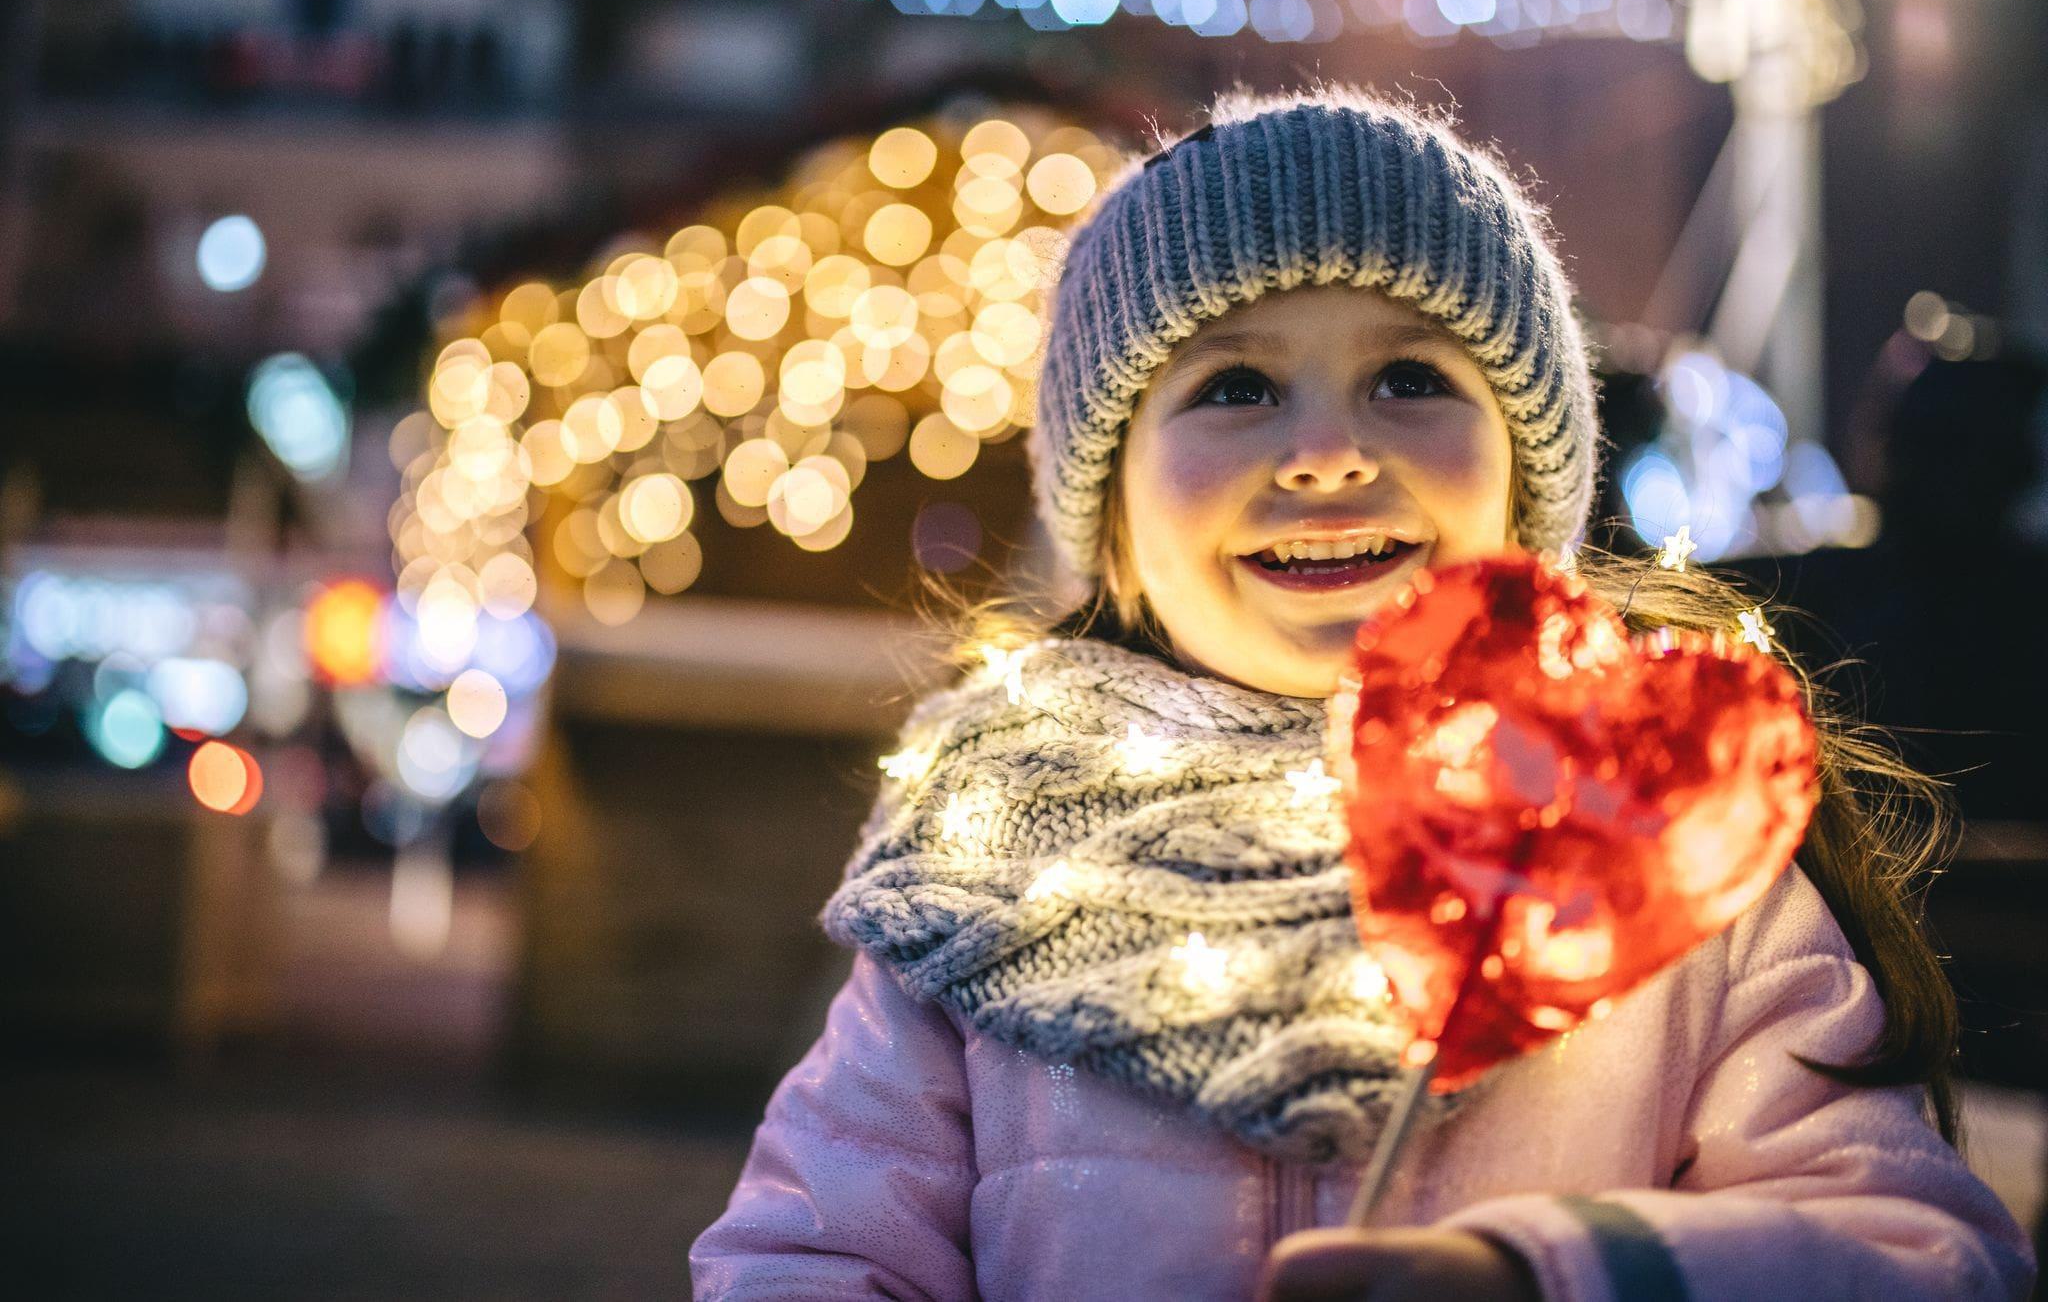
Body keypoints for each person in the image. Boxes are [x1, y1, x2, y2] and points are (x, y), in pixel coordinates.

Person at [688, 85, 2035, 1301]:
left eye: (1409, 376)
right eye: (1236, 386)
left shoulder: (1659, 826)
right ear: (1110, 526)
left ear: (1527, 473)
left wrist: (1545, 1279)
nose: (1328, 452)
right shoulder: (983, 871)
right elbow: (812, 1254)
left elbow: (1916, 1253)